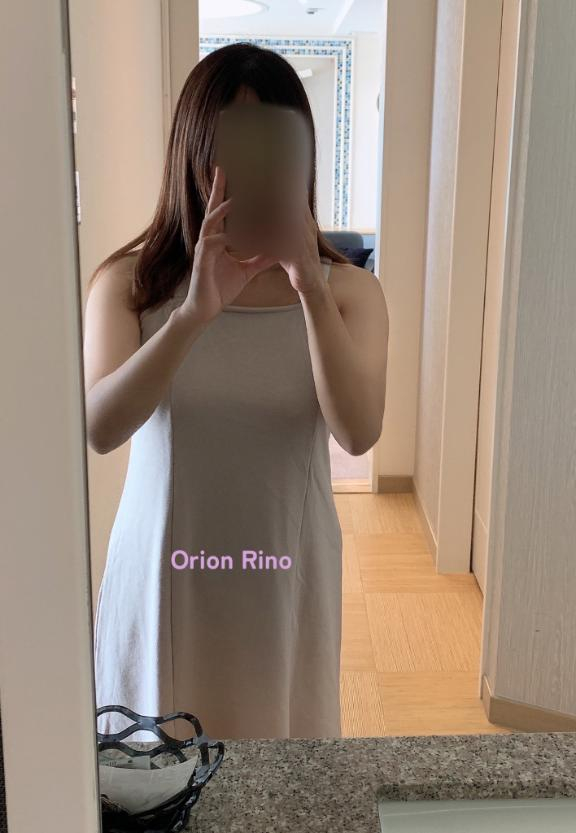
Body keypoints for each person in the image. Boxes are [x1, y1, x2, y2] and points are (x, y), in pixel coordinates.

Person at [84, 42, 389, 740]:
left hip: (285, 569)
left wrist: (310, 289)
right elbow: (101, 428)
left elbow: (358, 432)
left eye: (275, 149)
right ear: (193, 154)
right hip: (163, 570)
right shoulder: (130, 285)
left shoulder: (350, 293)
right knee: (157, 767)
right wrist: (192, 315)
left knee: (280, 757)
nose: (254, 174)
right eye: (234, 149)